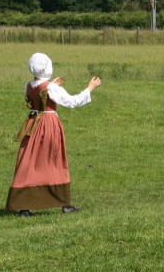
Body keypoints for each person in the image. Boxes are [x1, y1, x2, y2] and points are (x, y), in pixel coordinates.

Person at [6, 53, 101, 217]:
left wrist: (51, 85)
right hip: (48, 125)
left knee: (29, 162)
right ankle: (65, 204)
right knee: (54, 160)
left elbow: (39, 94)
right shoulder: (51, 88)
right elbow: (72, 102)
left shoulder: (28, 85)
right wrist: (90, 88)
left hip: (33, 124)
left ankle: (24, 207)